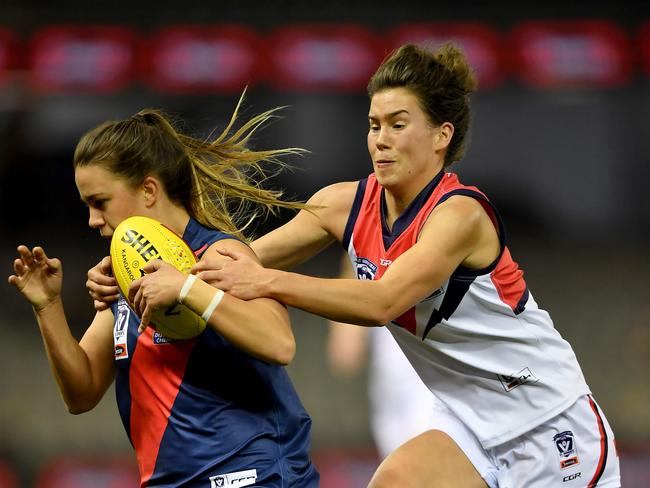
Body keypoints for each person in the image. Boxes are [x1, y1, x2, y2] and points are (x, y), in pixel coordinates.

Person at [87, 43, 622, 487]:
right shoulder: (343, 204)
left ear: (442, 136)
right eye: (373, 124)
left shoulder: (460, 216)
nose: (380, 140)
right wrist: (144, 270)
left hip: (547, 419)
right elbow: (226, 262)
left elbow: (382, 301)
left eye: (397, 123)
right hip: (468, 421)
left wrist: (264, 281)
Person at [8, 99, 320, 487]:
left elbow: (279, 343)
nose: (92, 220)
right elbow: (81, 393)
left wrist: (187, 287)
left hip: (251, 476)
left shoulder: (219, 253)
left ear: (149, 190)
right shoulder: (126, 273)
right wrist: (47, 306)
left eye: (100, 202)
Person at [326, 255, 436, 460]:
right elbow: (345, 353)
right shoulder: (368, 239)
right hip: (389, 387)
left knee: (425, 464)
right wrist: (346, 331)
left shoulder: (433, 234)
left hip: (431, 382)